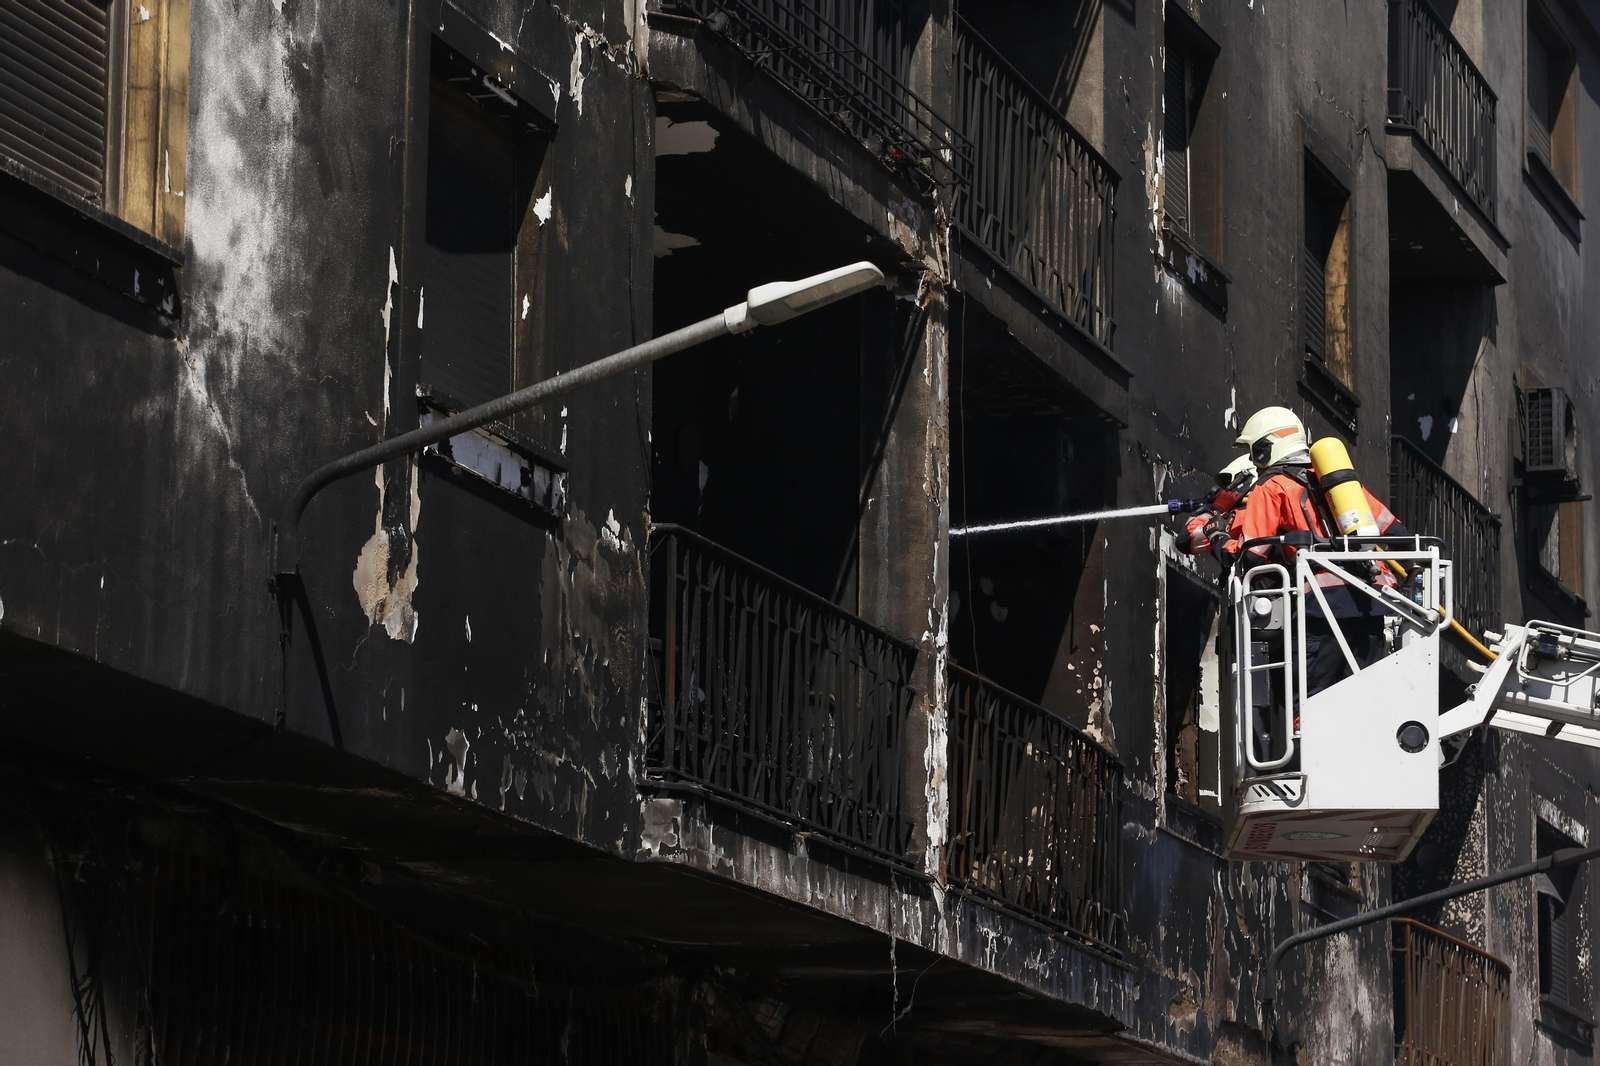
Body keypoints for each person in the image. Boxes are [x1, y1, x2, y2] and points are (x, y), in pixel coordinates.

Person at [1231, 406, 1412, 698]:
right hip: (1370, 598)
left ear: (1267, 448)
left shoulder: (1272, 485)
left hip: (1321, 602)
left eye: (1255, 451)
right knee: (1369, 696)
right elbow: (1395, 532)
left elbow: (1254, 554)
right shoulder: (1342, 484)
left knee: (1313, 699)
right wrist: (1416, 568)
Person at [1177, 455, 1256, 565]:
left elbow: (1184, 540)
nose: (1227, 492)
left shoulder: (1245, 517)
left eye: (1230, 489)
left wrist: (1218, 507)